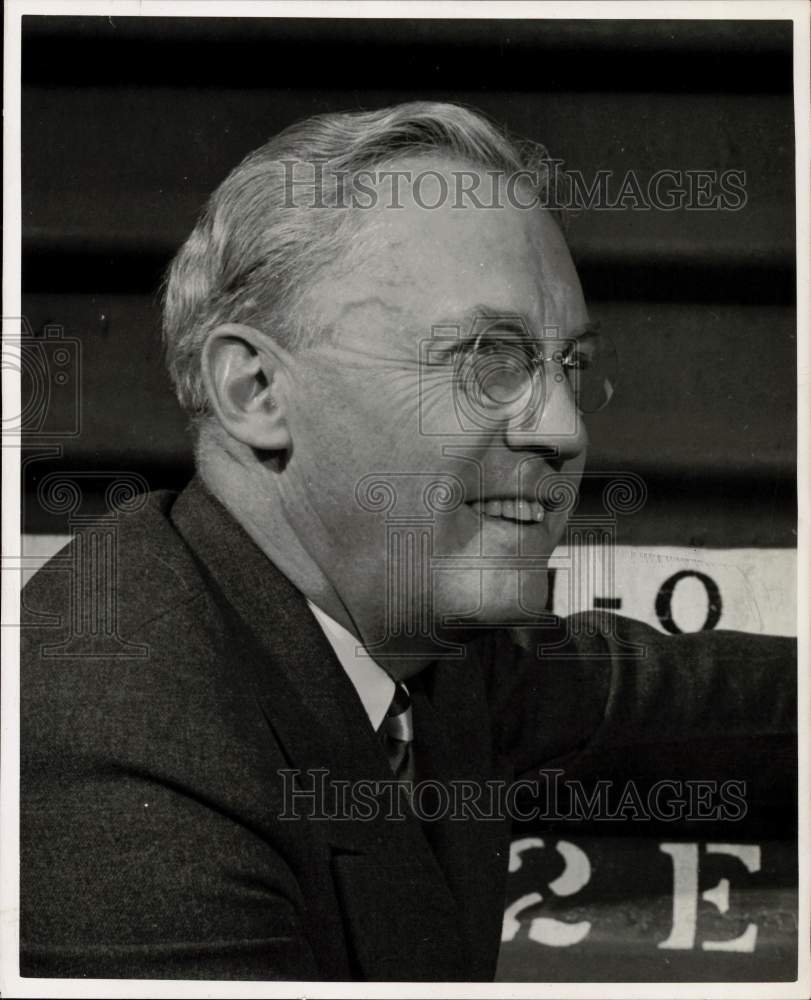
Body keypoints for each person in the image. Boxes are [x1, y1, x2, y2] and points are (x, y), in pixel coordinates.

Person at [20, 102, 796, 981]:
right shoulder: (119, 768)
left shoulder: (408, 636)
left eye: (568, 365)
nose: (564, 428)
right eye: (485, 359)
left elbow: (703, 708)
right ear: (256, 389)